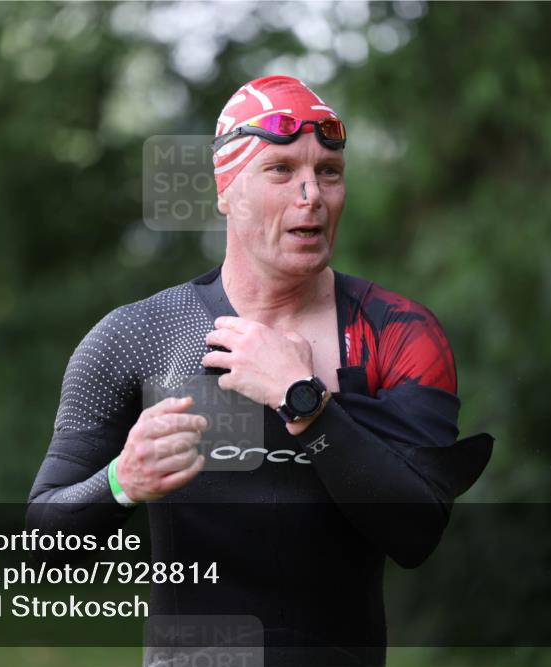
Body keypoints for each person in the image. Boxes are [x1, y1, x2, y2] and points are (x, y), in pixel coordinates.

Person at [27, 75, 493, 666]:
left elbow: (416, 532)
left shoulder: (398, 334)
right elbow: (42, 542)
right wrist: (121, 481)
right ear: (226, 189)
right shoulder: (137, 336)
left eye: (329, 171)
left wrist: (304, 401)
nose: (312, 196)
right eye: (280, 171)